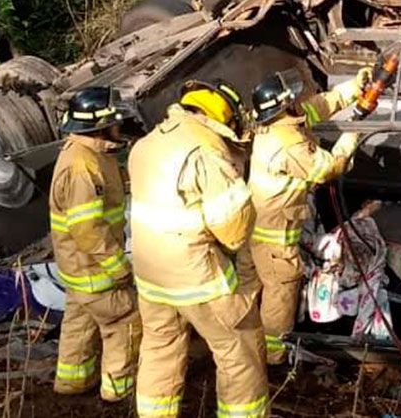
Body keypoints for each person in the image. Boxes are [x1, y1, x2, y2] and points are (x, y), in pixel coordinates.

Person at [127, 79, 268, 418]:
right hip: (197, 278)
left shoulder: (146, 144)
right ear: (223, 116)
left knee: (159, 347)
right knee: (237, 349)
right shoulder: (206, 151)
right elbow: (233, 230)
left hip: (149, 277)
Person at [246, 66, 373, 364]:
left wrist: (353, 87)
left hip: (259, 231)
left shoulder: (281, 124)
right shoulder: (287, 144)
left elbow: (319, 106)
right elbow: (328, 167)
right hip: (274, 241)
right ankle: (273, 359)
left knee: (253, 290)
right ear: (281, 106)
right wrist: (354, 131)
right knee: (280, 293)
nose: (296, 101)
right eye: (290, 98)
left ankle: (251, 347)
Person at [50, 86, 142, 401]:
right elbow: (88, 229)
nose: (120, 127)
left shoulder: (85, 153)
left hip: (78, 269)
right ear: (99, 125)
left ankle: (72, 382)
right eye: (115, 122)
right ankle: (118, 391)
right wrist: (118, 268)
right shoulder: (82, 167)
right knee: (125, 321)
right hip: (95, 269)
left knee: (80, 322)